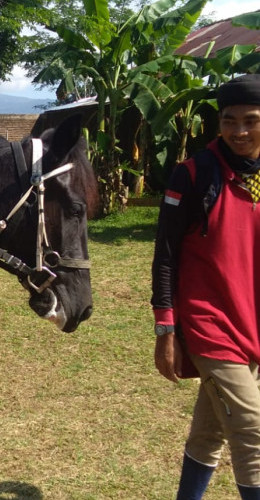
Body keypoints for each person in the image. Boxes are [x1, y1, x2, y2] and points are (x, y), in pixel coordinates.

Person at [152, 73, 260, 499]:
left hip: (251, 322)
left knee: (209, 432)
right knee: (252, 432)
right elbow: (165, 256)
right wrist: (165, 329)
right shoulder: (193, 174)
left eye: (251, 120)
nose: (239, 131)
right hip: (209, 325)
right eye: (229, 120)